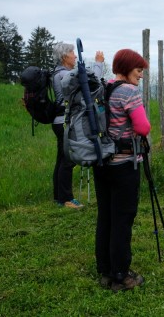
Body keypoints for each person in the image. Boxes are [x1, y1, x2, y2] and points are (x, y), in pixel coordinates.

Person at [93, 49, 150, 292]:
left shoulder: (104, 88)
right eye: (139, 71)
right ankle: (121, 275)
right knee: (123, 219)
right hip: (124, 165)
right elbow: (143, 126)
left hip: (102, 163)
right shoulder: (128, 91)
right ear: (127, 69)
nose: (141, 76)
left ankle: (105, 270)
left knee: (105, 216)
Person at [51, 43, 105, 209]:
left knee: (62, 158)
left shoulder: (58, 74)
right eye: (72, 53)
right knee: (69, 159)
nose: (75, 56)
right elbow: (91, 84)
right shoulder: (65, 75)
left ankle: (59, 197)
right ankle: (66, 199)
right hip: (68, 122)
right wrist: (99, 63)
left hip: (60, 121)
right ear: (64, 57)